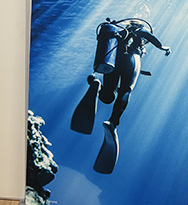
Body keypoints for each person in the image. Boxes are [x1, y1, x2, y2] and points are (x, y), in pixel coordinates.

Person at [70, 17, 170, 174]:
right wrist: (163, 47)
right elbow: (151, 37)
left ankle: (96, 85)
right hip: (132, 59)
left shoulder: (119, 33)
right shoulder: (140, 30)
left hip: (115, 60)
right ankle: (113, 122)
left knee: (107, 95)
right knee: (126, 90)